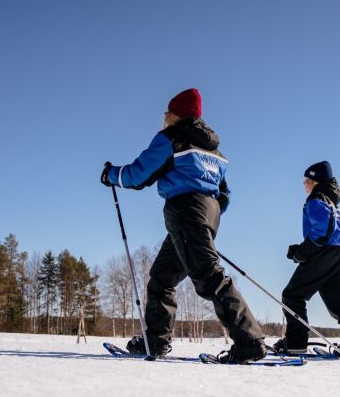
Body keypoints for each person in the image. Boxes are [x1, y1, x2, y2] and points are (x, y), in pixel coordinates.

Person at [100, 88, 267, 363]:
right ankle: (155, 340)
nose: (163, 118)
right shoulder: (214, 149)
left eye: (166, 113)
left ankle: (250, 341)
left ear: (176, 114)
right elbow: (224, 193)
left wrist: (112, 175)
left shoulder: (170, 138)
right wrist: (207, 219)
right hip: (208, 212)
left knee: (208, 276)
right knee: (162, 278)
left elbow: (139, 174)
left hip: (185, 211)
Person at [273, 161, 340, 356]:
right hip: (339, 254)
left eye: (307, 180)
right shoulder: (332, 201)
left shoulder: (316, 199)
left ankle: (296, 342)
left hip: (323, 254)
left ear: (315, 182)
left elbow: (322, 232)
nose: (304, 185)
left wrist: (302, 251)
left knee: (292, 295)